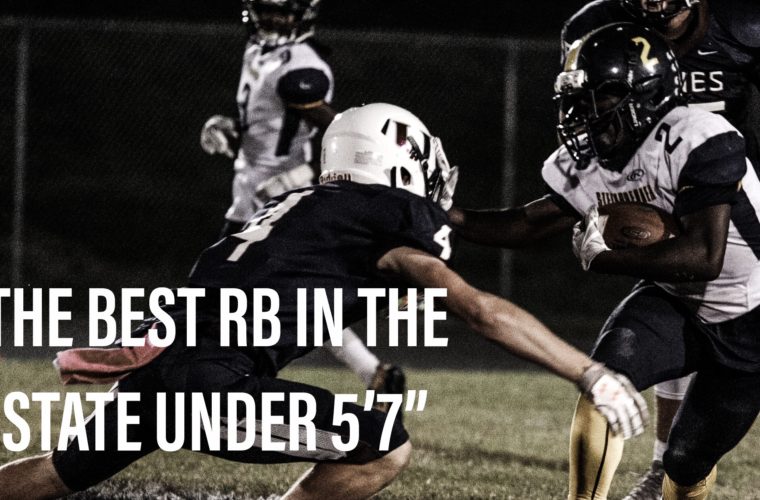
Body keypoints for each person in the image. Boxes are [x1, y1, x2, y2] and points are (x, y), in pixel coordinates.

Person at [0, 103, 647, 500]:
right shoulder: (387, 213)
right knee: (384, 446)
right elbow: (475, 307)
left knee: (59, 470)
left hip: (167, 361)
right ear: (403, 162)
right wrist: (589, 371)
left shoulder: (293, 208)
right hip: (211, 382)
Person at [449, 23, 760, 500]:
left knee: (685, 463)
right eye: (577, 100)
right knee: (603, 383)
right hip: (674, 300)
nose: (583, 112)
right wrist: (446, 215)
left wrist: (604, 258)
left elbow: (704, 256)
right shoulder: (597, 154)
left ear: (646, 92)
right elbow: (528, 224)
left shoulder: (699, 137)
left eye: (600, 97)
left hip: (749, 316)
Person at [561, 2, 760, 497]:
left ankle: (671, 466)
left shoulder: (742, 27)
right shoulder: (599, 28)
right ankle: (656, 467)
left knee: (693, 454)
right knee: (626, 356)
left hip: (732, 202)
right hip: (661, 193)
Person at [199, 0, 404, 409]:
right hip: (251, 193)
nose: (273, 19)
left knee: (224, 289)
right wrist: (233, 133)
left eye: (283, 12)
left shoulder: (302, 66)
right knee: (278, 296)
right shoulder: (259, 52)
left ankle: (222, 374)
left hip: (278, 197)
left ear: (302, 16)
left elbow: (340, 132)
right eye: (266, 9)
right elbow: (271, 128)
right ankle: (375, 373)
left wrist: (304, 174)